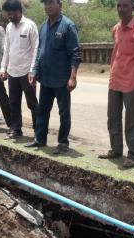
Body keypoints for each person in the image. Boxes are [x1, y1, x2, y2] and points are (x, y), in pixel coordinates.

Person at [98, 0, 134, 167]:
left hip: (131, 82)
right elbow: (116, 54)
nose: (121, 9)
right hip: (115, 80)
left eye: (125, 6)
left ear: (133, 7)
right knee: (113, 117)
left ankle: (133, 154)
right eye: (119, 6)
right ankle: (116, 150)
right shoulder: (116, 28)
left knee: (131, 120)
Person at [25, 0, 81, 154]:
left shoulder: (68, 26)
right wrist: (34, 71)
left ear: (59, 5)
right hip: (46, 78)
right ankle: (40, 139)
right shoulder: (43, 27)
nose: (48, 6)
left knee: (64, 112)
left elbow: (75, 54)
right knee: (42, 110)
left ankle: (63, 143)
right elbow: (39, 52)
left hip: (62, 80)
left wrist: (73, 77)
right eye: (46, 4)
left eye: (51, 3)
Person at [0, 0, 39, 139]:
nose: (9, 16)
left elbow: (35, 50)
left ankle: (38, 132)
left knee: (32, 103)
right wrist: (3, 68)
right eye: (7, 14)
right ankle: (16, 129)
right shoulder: (9, 27)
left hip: (27, 73)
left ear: (18, 11)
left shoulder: (30, 25)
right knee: (14, 102)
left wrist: (33, 70)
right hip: (12, 72)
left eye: (11, 14)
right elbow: (7, 50)